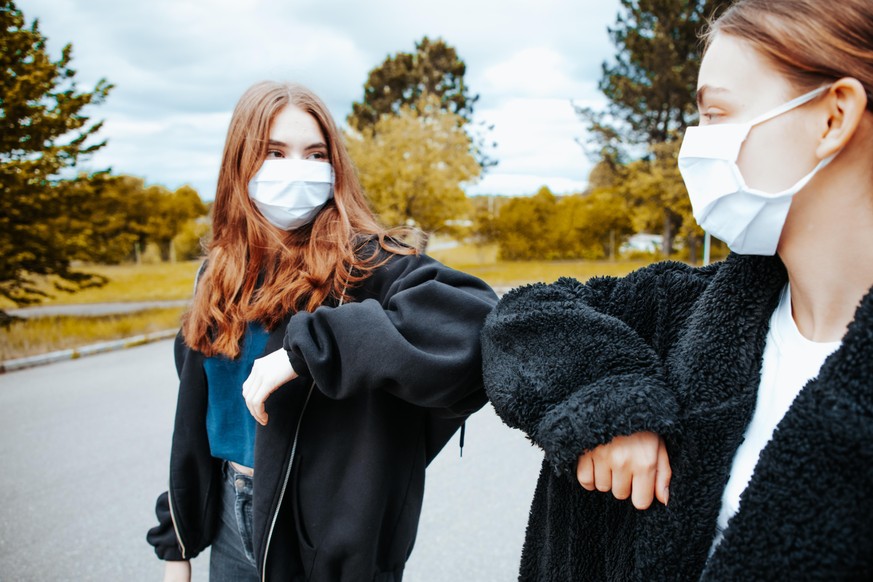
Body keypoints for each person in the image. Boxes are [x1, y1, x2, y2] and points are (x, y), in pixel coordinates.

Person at [482, 0, 873, 579]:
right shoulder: (682, 307)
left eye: (717, 113)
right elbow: (520, 317)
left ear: (833, 117)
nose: (695, 144)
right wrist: (607, 400)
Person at [147, 81, 497, 582]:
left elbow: (472, 318)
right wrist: (176, 546)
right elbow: (194, 423)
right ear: (240, 162)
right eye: (274, 151)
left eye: (315, 154)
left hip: (328, 548)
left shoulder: (366, 261)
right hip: (230, 522)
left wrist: (309, 351)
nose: (298, 169)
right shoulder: (216, 274)